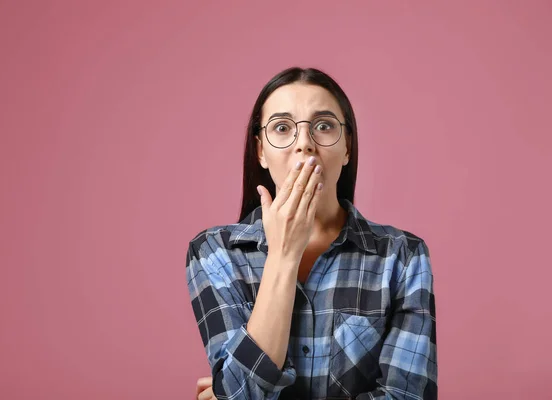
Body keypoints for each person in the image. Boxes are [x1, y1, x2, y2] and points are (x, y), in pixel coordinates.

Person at [186, 67, 437, 400]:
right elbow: (241, 392)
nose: (304, 144)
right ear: (261, 151)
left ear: (347, 147)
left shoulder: (402, 256)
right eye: (282, 127)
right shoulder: (214, 252)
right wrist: (283, 255)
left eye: (323, 126)